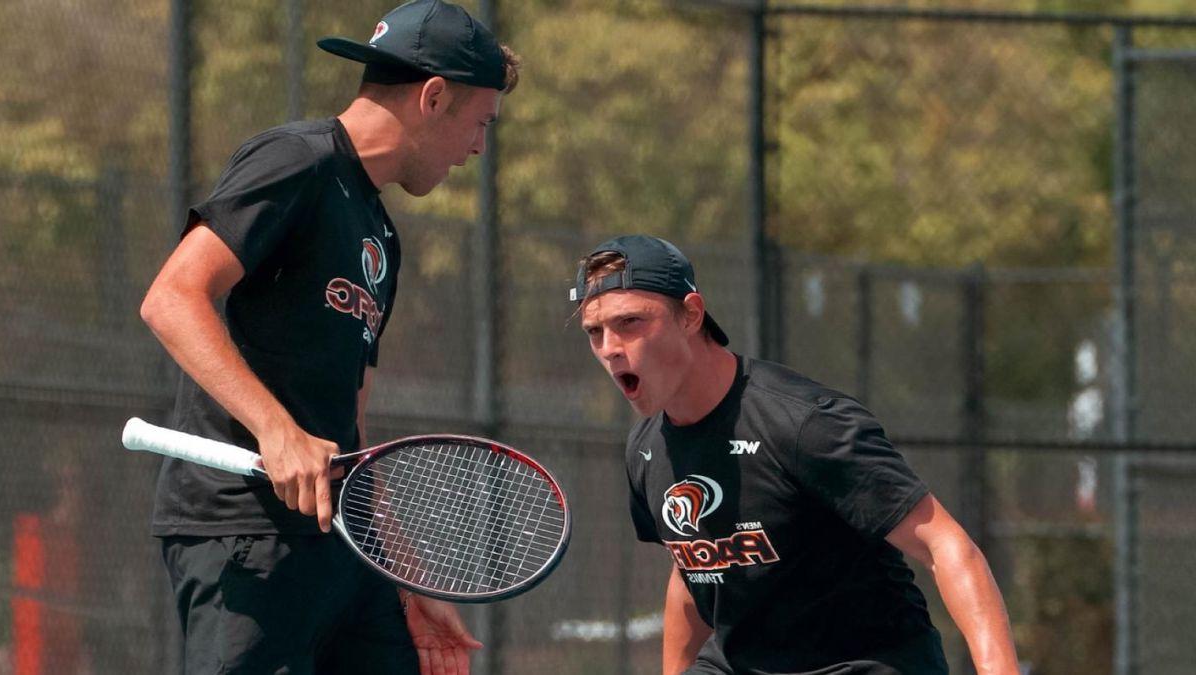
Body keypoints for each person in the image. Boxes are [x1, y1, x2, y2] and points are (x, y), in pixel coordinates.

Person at [139, 2, 520, 673]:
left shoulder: (381, 235)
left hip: (341, 547)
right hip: (245, 532)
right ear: (434, 97)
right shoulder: (296, 161)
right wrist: (276, 430)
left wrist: (403, 575)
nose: (479, 148)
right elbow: (172, 297)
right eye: (480, 123)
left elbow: (351, 427)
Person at [571, 235, 1020, 675]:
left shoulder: (805, 424)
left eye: (630, 322)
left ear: (690, 315)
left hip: (860, 661)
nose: (609, 347)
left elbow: (945, 545)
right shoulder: (646, 449)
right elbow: (691, 569)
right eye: (595, 332)